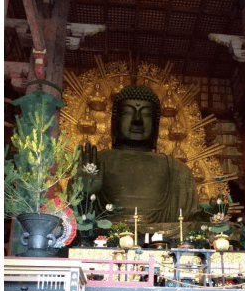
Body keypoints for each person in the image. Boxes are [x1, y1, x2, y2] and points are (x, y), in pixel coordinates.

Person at [78, 85, 201, 223]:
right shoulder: (94, 165)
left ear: (156, 124)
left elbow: (190, 223)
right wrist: (83, 194)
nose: (137, 120)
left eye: (146, 114)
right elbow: (72, 220)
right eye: (128, 112)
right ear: (114, 121)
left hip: (163, 241)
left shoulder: (178, 171)